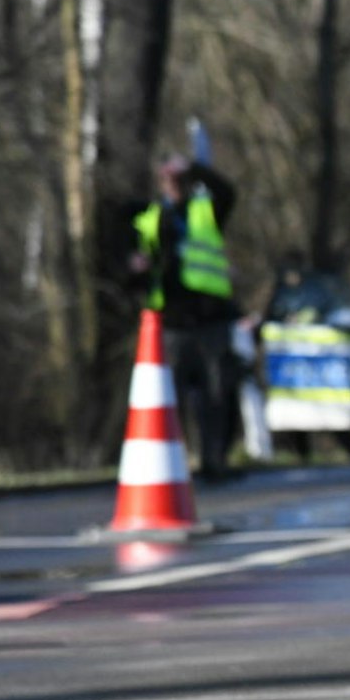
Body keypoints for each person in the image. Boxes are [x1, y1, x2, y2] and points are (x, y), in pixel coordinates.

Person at [130, 155, 242, 483]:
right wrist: (135, 269)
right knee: (170, 398)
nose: (174, 186)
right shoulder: (151, 219)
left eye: (179, 180)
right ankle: (173, 464)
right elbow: (138, 267)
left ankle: (214, 460)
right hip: (172, 322)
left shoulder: (206, 210)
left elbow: (228, 192)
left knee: (216, 393)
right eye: (168, 180)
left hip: (211, 318)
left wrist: (195, 166)